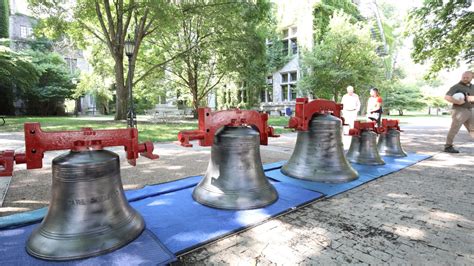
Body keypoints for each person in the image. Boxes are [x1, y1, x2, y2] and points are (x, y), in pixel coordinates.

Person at [443, 71, 474, 153]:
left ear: (472, 78)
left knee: (472, 129)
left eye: (467, 77)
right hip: (459, 111)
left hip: (470, 110)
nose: (465, 79)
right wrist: (457, 102)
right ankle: (448, 146)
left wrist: (472, 99)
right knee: (454, 129)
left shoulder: (472, 87)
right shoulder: (456, 86)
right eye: (463, 77)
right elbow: (447, 97)